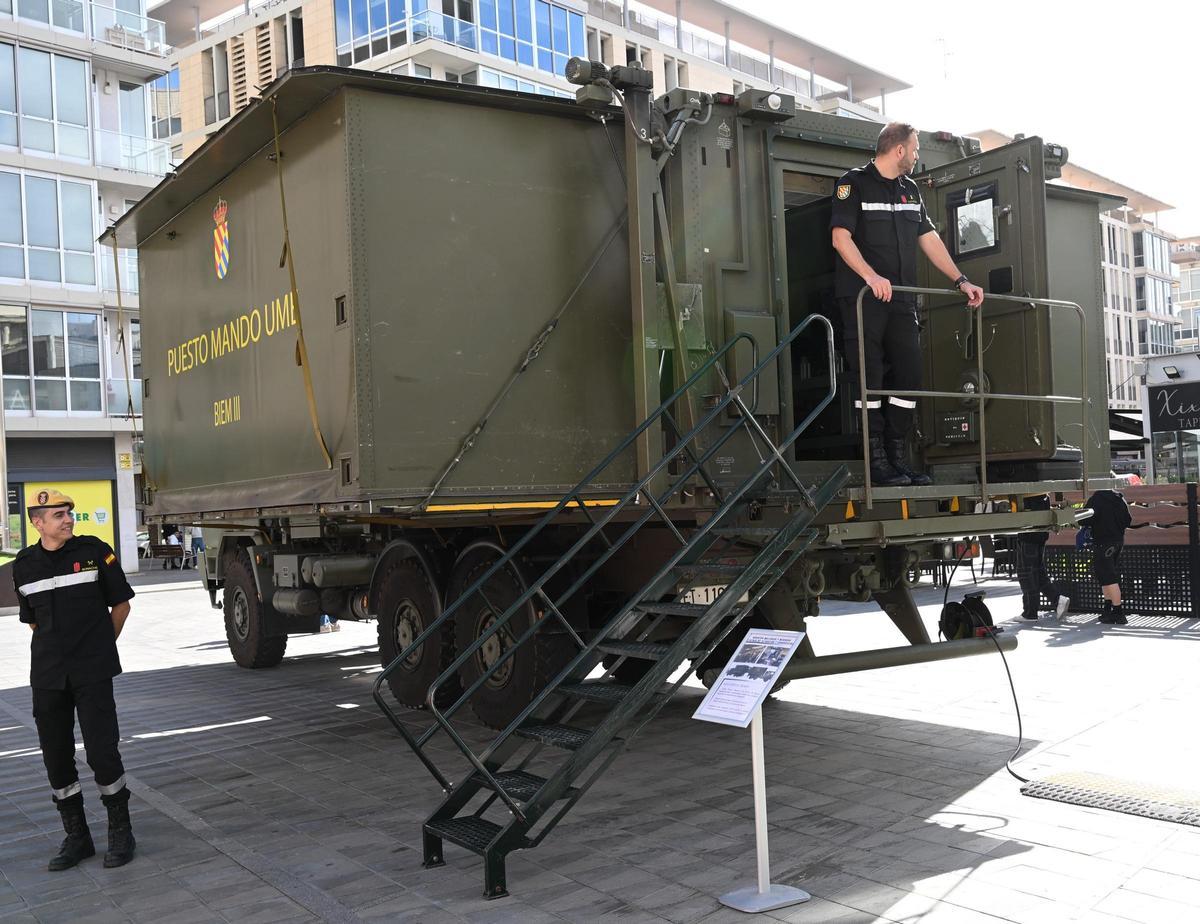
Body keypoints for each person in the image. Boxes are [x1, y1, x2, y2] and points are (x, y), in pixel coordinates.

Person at [831, 122, 986, 486]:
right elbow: (841, 238)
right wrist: (871, 277)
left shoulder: (910, 190)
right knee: (869, 379)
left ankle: (896, 458)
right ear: (899, 150)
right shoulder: (852, 184)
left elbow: (929, 239)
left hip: (901, 300)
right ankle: (876, 463)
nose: (917, 156)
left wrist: (960, 280)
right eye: (915, 149)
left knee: (910, 376)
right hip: (863, 299)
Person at [12, 489, 137, 870]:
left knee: (102, 751)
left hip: (92, 671)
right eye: (58, 515)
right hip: (48, 676)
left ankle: (121, 832)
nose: (68, 519)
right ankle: (77, 837)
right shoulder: (24, 564)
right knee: (56, 757)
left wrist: (98, 647)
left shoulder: (95, 551)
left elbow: (121, 604)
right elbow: (33, 620)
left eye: (69, 513)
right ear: (37, 522)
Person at [1014, 494, 1072, 621]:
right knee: (1038, 573)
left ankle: (1030, 612)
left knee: (1027, 573)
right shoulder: (1044, 496)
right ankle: (1057, 600)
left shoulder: (1028, 494)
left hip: (1028, 536)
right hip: (1040, 536)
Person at [1084, 488, 1132, 625]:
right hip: (1118, 541)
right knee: (1106, 576)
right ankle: (1108, 609)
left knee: (1108, 577)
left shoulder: (1096, 499)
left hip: (1102, 542)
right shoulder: (1119, 498)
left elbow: (1085, 519)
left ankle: (1118, 612)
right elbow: (1128, 520)